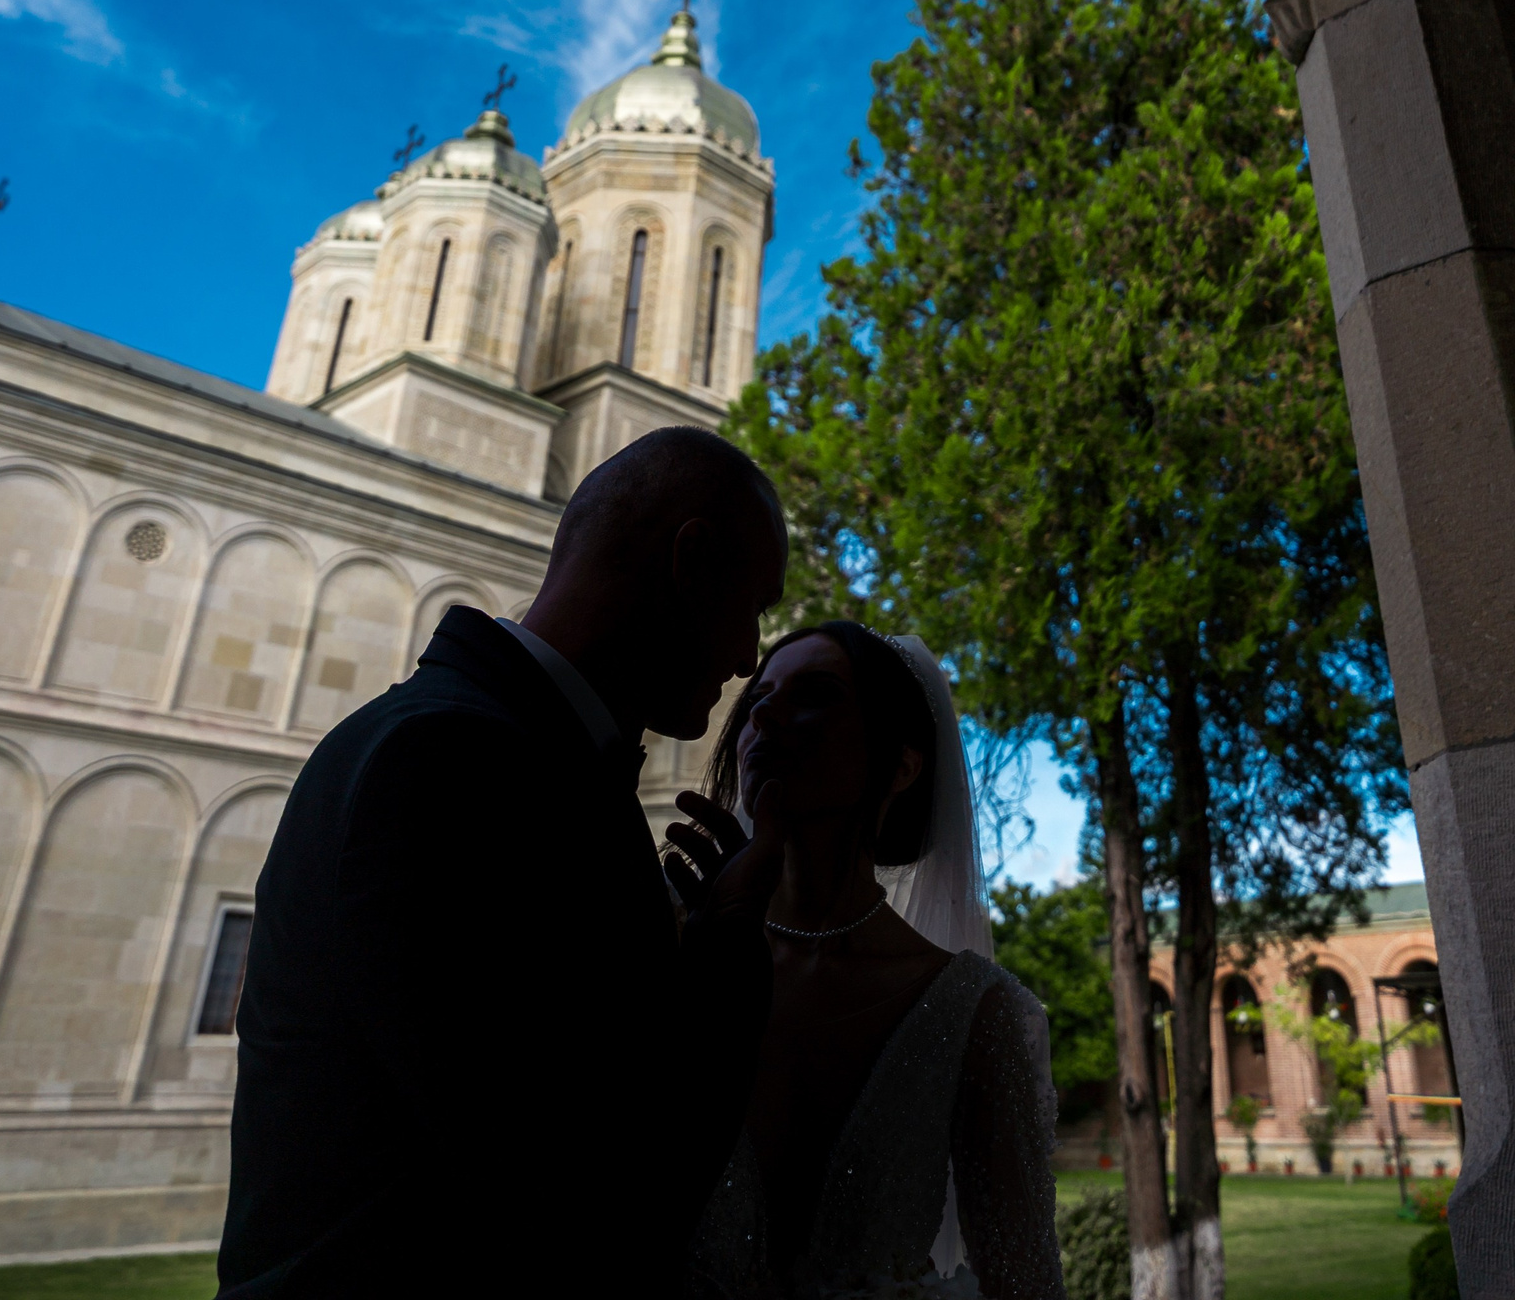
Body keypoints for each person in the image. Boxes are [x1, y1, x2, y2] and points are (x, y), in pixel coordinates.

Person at [218, 426, 790, 1300]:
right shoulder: (451, 763)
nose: (748, 657)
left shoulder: (506, 751)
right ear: (691, 560)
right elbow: (590, 1195)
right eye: (754, 605)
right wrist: (731, 943)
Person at [666, 622, 1068, 1300]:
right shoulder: (671, 947)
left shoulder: (973, 1013)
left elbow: (1022, 1281)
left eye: (816, 693)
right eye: (758, 697)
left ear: (903, 765)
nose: (764, 713)